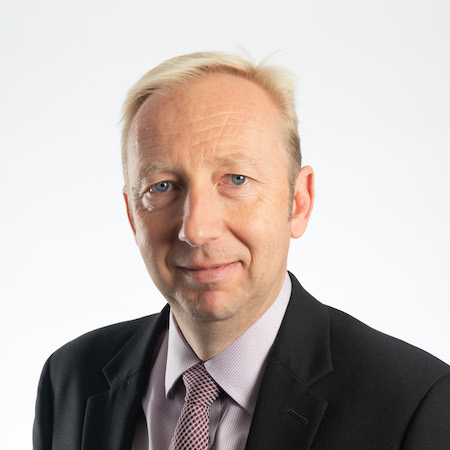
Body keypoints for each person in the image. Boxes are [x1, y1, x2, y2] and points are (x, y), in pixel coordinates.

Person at [33, 51, 450, 450]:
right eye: (162, 186)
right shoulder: (69, 379)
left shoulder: (416, 403)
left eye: (236, 179)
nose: (196, 230)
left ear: (298, 202)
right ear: (131, 215)